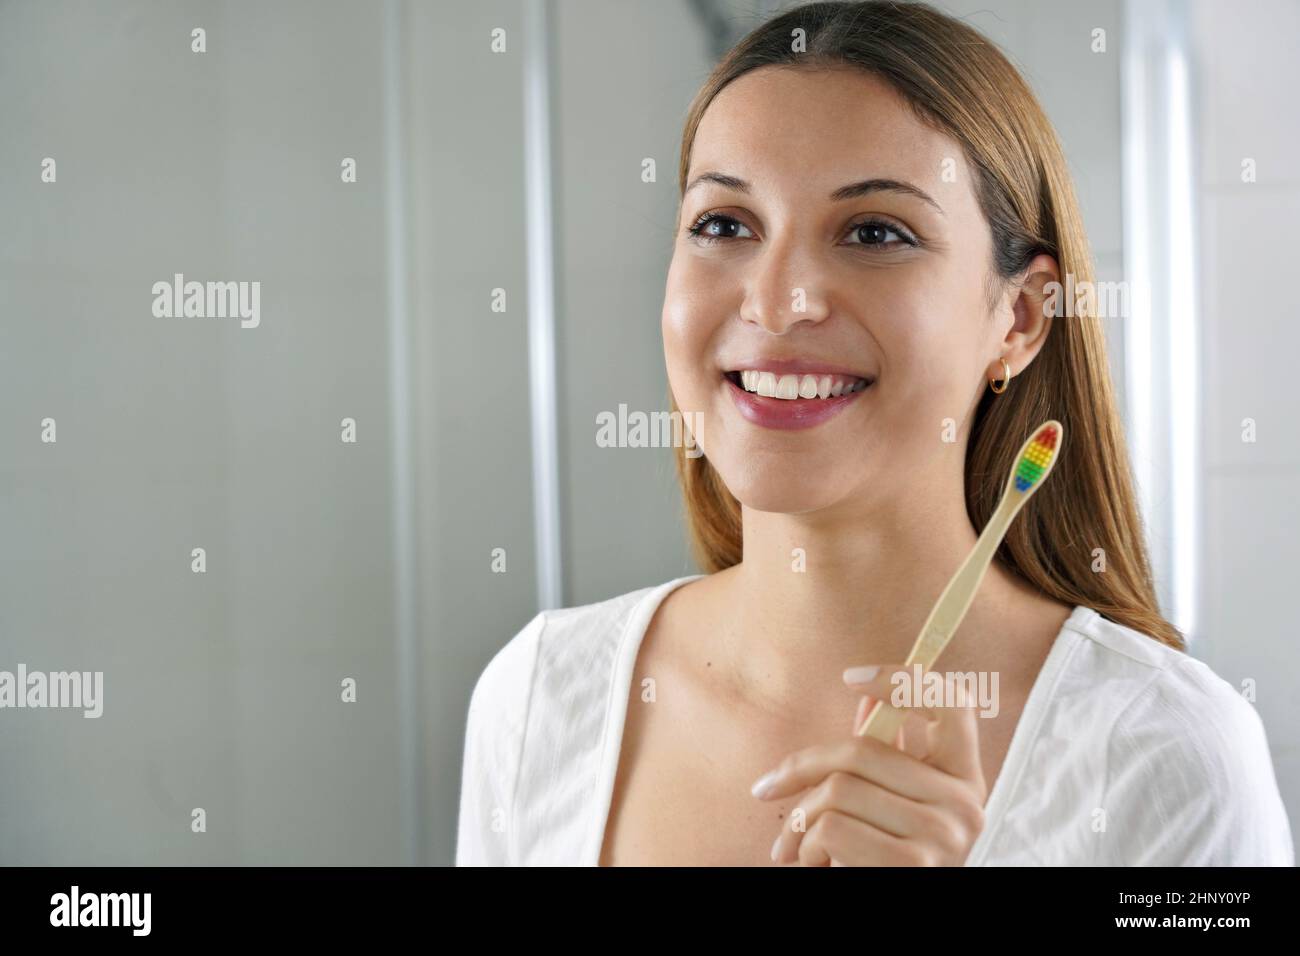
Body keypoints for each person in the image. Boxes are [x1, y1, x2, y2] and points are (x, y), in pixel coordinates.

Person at [455, 0, 1294, 866]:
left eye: (875, 232)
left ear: (1020, 317)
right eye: (725, 225)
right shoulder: (540, 697)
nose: (778, 301)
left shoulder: (1167, 756)